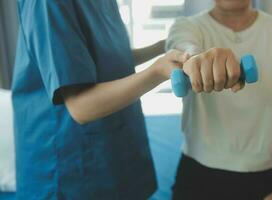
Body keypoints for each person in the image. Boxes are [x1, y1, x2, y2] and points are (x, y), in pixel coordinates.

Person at [11, 0, 190, 199]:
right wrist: (158, 71)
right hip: (67, 161)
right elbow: (81, 107)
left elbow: (108, 58)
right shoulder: (46, 4)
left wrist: (162, 48)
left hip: (112, 144)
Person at [166, 0, 272, 199]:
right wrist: (196, 59)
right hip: (198, 174)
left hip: (266, 176)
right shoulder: (186, 27)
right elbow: (184, 48)